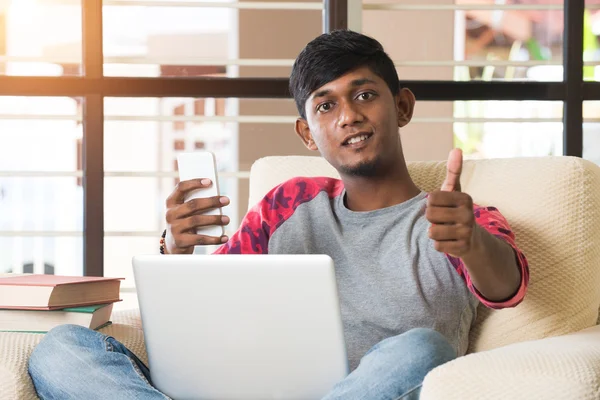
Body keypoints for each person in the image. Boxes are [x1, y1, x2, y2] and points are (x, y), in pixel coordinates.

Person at [27, 30, 529, 400]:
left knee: (422, 350)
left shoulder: (456, 216)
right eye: (325, 106)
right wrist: (176, 251)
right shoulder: (289, 202)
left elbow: (507, 285)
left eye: (364, 95)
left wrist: (469, 241)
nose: (349, 115)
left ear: (401, 107)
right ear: (308, 135)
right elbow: (210, 310)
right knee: (61, 349)